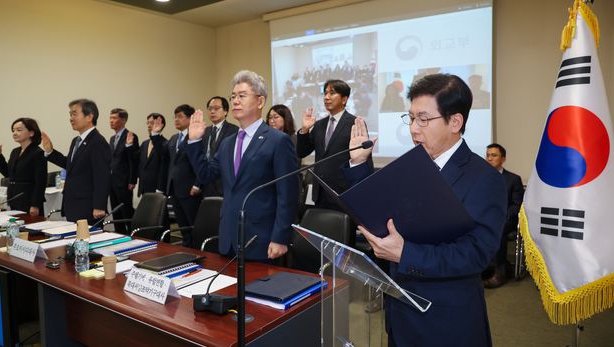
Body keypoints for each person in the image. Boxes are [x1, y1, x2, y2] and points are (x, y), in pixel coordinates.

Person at [346, 74, 506, 346]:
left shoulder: (484, 178)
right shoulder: (410, 166)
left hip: (446, 323)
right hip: (400, 314)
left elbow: (476, 254)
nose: (413, 129)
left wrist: (406, 253)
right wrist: (359, 163)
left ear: (455, 122)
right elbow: (375, 212)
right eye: (410, 118)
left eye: (423, 119)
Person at [182, 70, 298, 261]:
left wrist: (280, 237)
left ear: (260, 101)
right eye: (233, 96)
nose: (235, 101)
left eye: (242, 96)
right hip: (228, 236)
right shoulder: (228, 142)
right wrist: (194, 142)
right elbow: (206, 175)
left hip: (261, 238)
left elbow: (287, 194)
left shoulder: (278, 141)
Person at [296, 79, 372, 211]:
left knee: (343, 230)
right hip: (319, 193)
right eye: (325, 93)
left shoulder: (354, 123)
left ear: (344, 99)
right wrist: (304, 130)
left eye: (332, 93)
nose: (326, 97)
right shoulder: (319, 125)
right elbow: (302, 152)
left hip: (344, 193)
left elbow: (363, 159)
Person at [42, 99, 111, 224]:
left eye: (74, 114)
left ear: (89, 116)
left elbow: (102, 176)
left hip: (88, 206)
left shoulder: (97, 142)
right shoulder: (76, 141)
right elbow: (70, 165)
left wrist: (99, 206)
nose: (71, 118)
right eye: (70, 114)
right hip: (73, 204)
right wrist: (50, 152)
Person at [151, 104, 201, 247]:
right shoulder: (174, 138)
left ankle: (197, 249)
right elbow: (163, 153)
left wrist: (198, 183)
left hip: (190, 188)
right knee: (182, 225)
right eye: (175, 117)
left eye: (180, 116)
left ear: (190, 118)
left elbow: (201, 161)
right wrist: (155, 135)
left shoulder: (196, 136)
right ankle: (186, 248)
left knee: (193, 225)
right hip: (174, 188)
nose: (176, 120)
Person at [484, 143, 524, 288]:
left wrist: (501, 218)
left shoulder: (513, 179)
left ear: (503, 159)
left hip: (506, 220)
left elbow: (516, 205)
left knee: (497, 229)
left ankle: (498, 272)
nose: (489, 158)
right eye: (488, 155)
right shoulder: (480, 178)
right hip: (484, 218)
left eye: (494, 155)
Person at [0, 118, 47, 216]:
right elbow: (8, 173)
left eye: (19, 130)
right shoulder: (15, 151)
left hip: (29, 200)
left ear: (31, 133)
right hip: (14, 198)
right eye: (13, 130)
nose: (15, 133)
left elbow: (41, 181)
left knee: (31, 229)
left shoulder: (38, 153)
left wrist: (35, 205)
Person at [200, 96, 238, 197]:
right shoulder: (204, 131)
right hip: (205, 185)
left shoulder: (234, 131)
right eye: (210, 108)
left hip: (223, 185)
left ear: (225, 111)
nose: (212, 111)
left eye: (216, 108)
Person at [108, 108, 138, 233]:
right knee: (116, 213)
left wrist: (132, 180)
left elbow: (133, 160)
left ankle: (133, 236)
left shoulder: (130, 136)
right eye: (110, 118)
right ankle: (119, 235)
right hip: (112, 181)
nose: (111, 121)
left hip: (124, 181)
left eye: (114, 118)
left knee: (126, 212)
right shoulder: (112, 138)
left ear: (123, 120)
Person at [127, 113, 166, 197]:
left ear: (161, 125)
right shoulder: (145, 143)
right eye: (147, 123)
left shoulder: (165, 143)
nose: (149, 125)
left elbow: (164, 167)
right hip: (144, 187)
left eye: (152, 123)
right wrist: (129, 146)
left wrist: (160, 188)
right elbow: (135, 159)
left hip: (157, 188)